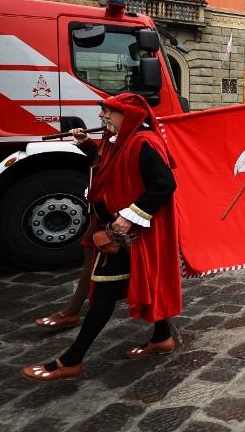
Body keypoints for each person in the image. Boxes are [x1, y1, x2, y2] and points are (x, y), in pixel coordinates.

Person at [22, 93, 179, 381]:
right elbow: (105, 166)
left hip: (128, 236)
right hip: (119, 234)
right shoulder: (117, 140)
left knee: (103, 294)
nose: (102, 117)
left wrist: (126, 218)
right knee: (145, 283)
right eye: (103, 111)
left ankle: (72, 360)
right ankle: (162, 336)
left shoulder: (144, 143)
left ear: (128, 116)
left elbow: (165, 184)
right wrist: (84, 144)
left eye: (108, 112)